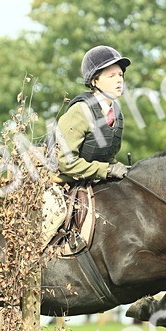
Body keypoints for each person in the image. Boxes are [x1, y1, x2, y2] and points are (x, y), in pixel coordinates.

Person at [41, 45, 132, 241]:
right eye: (111, 76)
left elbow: (107, 156)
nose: (119, 80)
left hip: (91, 181)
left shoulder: (116, 112)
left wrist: (120, 169)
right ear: (94, 81)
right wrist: (106, 170)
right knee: (51, 223)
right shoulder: (80, 111)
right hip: (59, 183)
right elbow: (67, 163)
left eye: (120, 75)